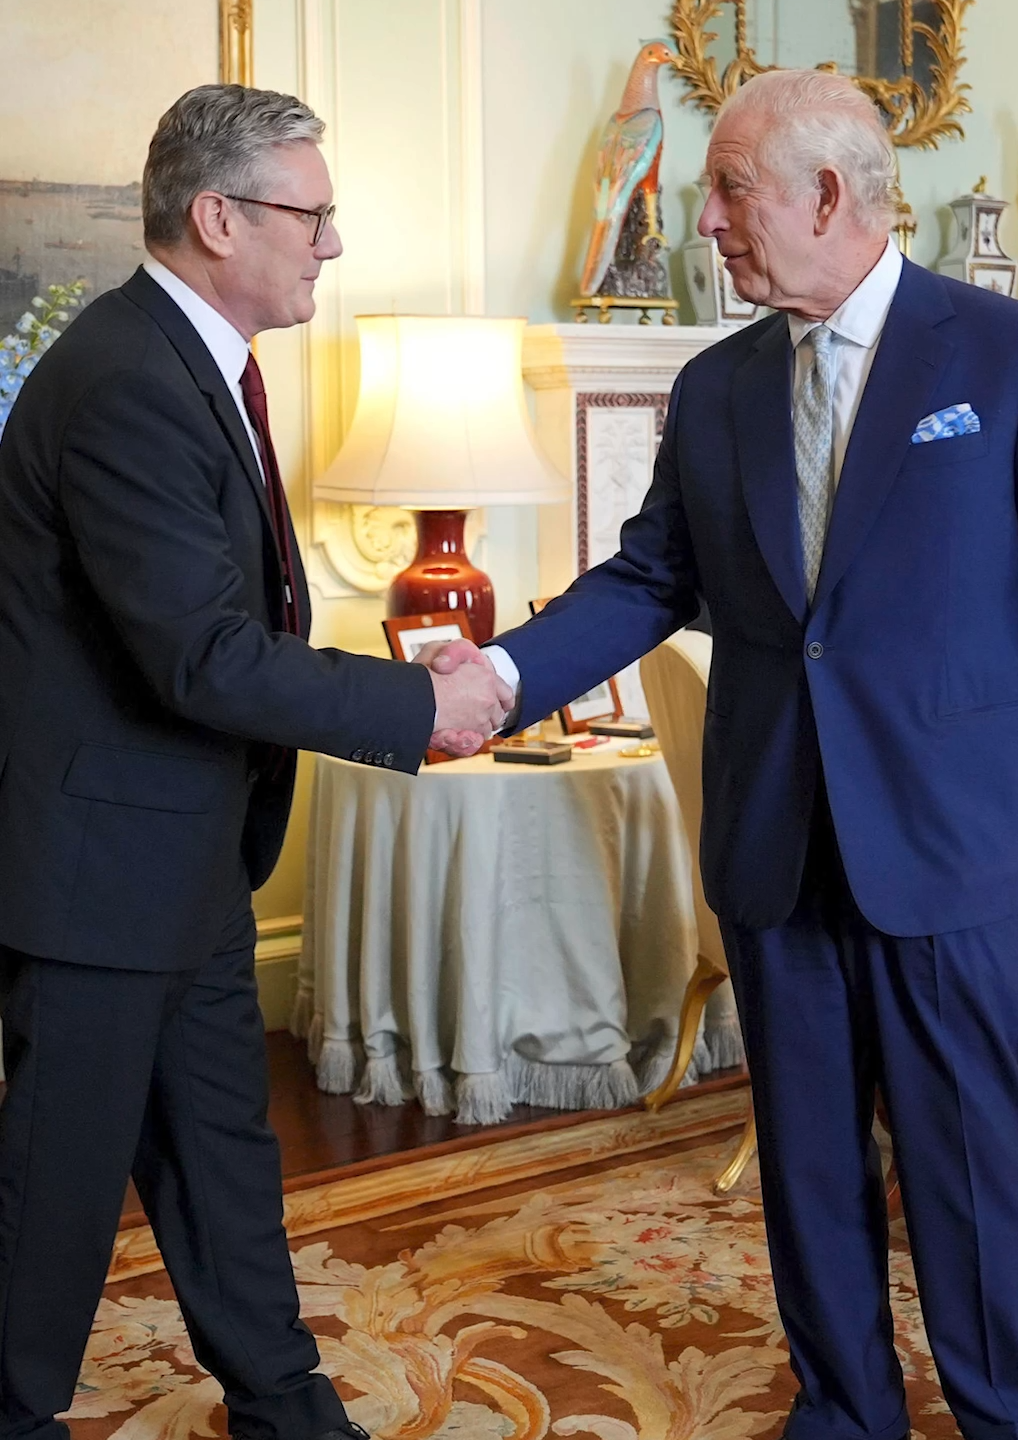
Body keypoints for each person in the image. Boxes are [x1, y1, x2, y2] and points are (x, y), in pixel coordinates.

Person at [431, 68, 1018, 1440]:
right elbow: (648, 578)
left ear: (828, 194)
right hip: (777, 834)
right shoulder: (717, 384)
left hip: (954, 838)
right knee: (805, 1165)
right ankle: (844, 1413)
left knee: (972, 1169)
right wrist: (496, 674)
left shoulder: (1013, 356)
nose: (708, 219)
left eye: (731, 190)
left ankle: (1011, 1420)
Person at [0, 83, 508, 1440]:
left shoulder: (192, 362)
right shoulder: (124, 379)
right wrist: (417, 707)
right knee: (54, 1202)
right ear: (218, 218)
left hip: (183, 853)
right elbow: (203, 657)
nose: (331, 243)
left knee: (224, 1156)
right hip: (98, 875)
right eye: (313, 213)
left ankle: (286, 1409)